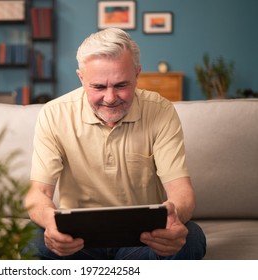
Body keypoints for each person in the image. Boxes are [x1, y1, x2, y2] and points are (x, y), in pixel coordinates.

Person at [24, 28, 206, 260]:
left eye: (121, 85)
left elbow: (181, 191)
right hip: (77, 239)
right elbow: (38, 192)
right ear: (81, 78)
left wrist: (174, 214)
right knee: (32, 242)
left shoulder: (161, 111)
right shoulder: (53, 114)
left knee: (191, 240)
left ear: (137, 74)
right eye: (98, 87)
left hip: (144, 238)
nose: (110, 98)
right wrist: (50, 221)